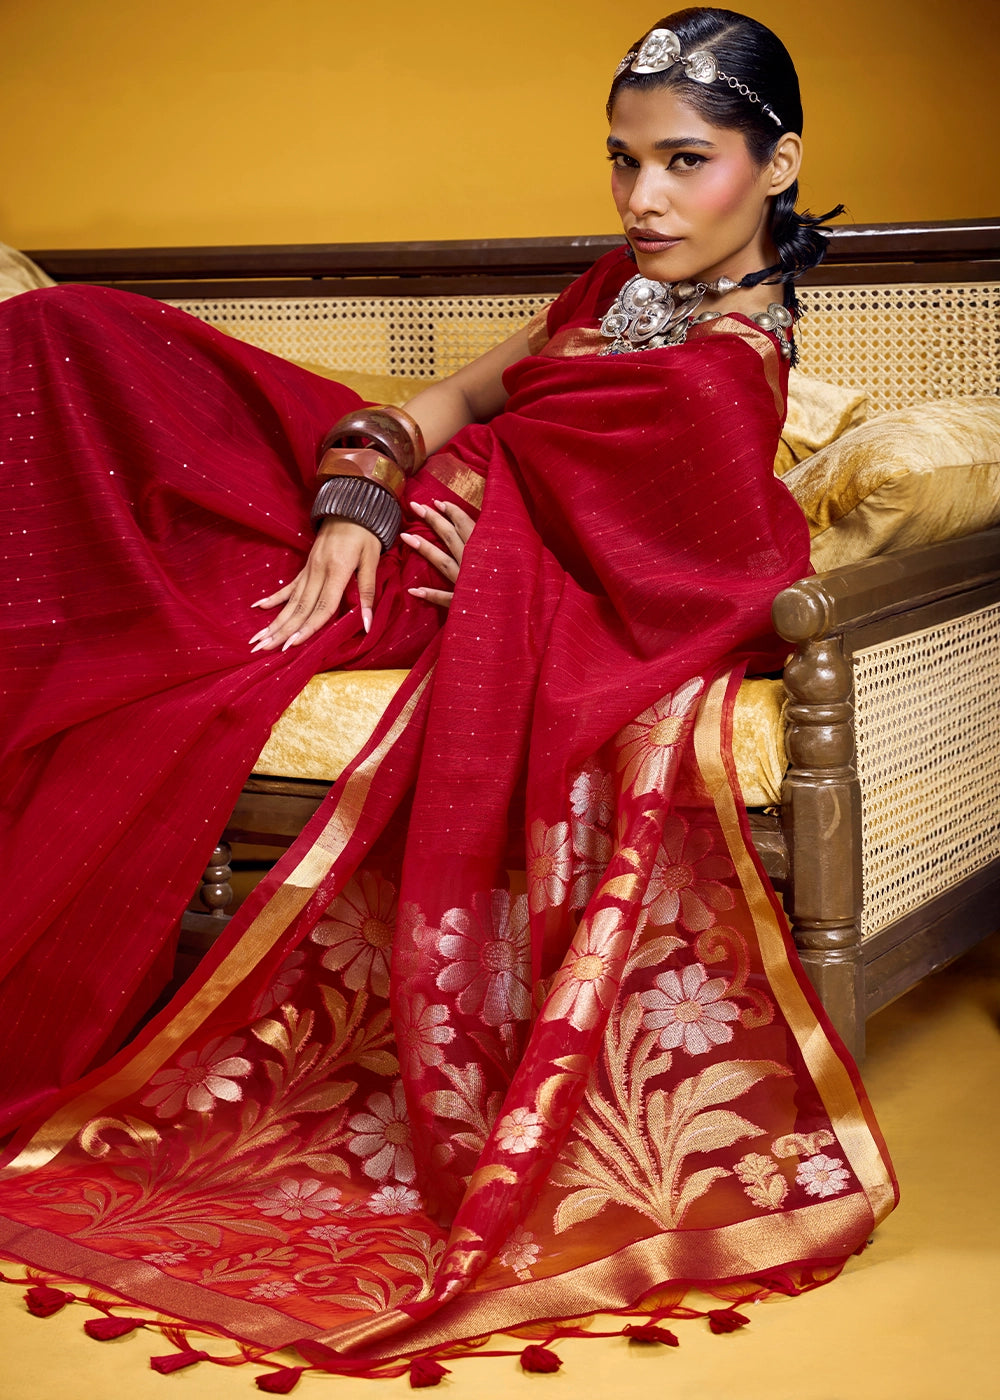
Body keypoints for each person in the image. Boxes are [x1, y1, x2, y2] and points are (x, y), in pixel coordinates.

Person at [0, 8, 896, 1379]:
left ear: (776, 169)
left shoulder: (724, 373)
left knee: (134, 607)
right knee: (69, 334)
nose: (645, 198)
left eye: (686, 161)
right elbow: (435, 409)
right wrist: (358, 487)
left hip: (420, 596)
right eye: (625, 160)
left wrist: (505, 555)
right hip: (356, 516)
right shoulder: (623, 285)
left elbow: (713, 587)